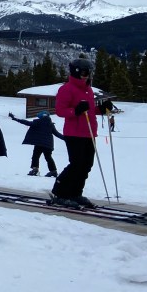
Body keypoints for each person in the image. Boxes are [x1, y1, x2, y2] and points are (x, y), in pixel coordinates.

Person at [51, 57, 113, 209]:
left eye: (89, 73)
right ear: (76, 72)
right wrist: (76, 111)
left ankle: (75, 192)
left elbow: (89, 110)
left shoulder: (88, 89)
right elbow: (60, 111)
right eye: (84, 73)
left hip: (89, 133)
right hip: (74, 133)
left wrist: (102, 109)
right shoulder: (66, 89)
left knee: (86, 165)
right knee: (76, 164)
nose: (87, 76)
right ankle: (60, 192)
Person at [8, 111, 64, 176]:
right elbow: (57, 134)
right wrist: (67, 138)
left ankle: (35, 170)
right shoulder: (50, 124)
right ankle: (53, 171)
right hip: (48, 145)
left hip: (39, 143)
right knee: (48, 157)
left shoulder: (38, 122)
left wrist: (15, 119)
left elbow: (27, 122)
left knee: (35, 156)